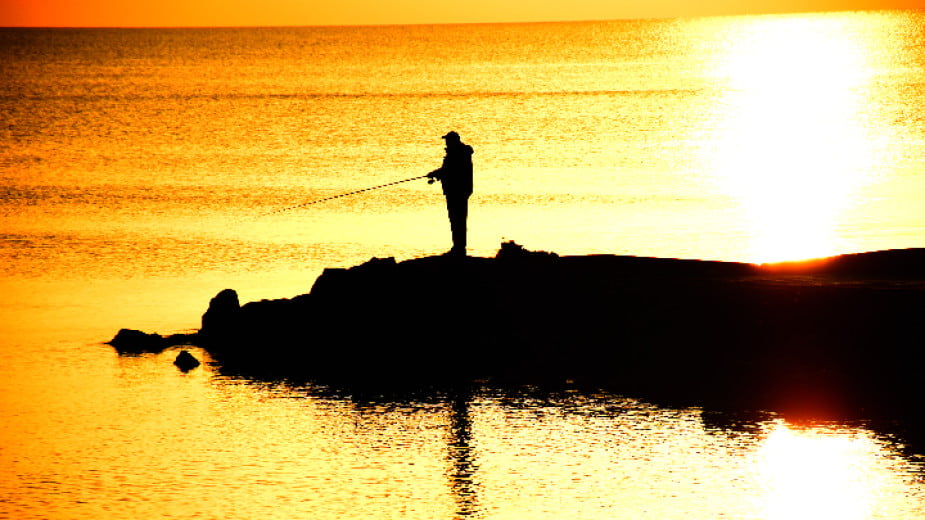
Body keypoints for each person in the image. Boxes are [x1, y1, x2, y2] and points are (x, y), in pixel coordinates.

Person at [427, 131, 474, 256]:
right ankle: (458, 247)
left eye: (448, 140)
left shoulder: (457, 154)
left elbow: (451, 171)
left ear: (454, 141)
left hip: (457, 191)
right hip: (458, 190)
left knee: (457, 219)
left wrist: (436, 174)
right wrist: (437, 173)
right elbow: (448, 171)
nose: (446, 143)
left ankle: (459, 249)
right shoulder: (460, 153)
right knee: (457, 219)